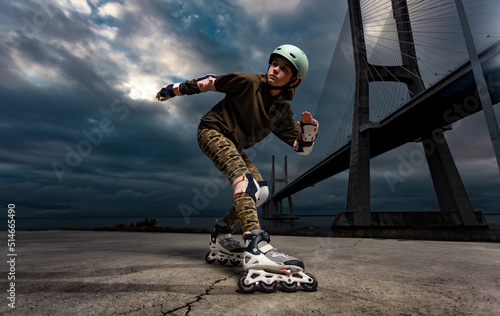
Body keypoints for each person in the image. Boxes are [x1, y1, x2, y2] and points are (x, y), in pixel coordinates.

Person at [156, 44, 319, 292]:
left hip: (233, 143)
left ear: (293, 81)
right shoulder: (247, 82)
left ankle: (222, 231)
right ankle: (255, 244)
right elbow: (207, 83)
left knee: (261, 192)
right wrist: (173, 90)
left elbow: (301, 148)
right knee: (244, 182)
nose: (276, 70)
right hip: (211, 131)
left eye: (284, 69)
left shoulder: (282, 112)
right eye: (275, 64)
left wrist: (308, 132)